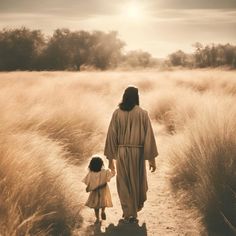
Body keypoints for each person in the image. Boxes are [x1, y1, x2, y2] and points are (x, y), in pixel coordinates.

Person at [104, 86, 158, 223]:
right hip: (138, 153)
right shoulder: (143, 113)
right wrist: (151, 159)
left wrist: (111, 160)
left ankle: (128, 211)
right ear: (136, 97)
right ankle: (132, 211)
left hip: (122, 153)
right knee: (137, 181)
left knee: (124, 182)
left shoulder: (117, 113)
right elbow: (148, 137)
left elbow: (111, 136)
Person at [82, 156, 115, 223]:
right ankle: (103, 211)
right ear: (101, 164)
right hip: (104, 190)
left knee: (96, 205)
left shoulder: (90, 173)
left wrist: (88, 187)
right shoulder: (105, 172)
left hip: (94, 191)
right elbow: (112, 175)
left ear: (91, 165)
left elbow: (88, 182)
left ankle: (97, 217)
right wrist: (112, 167)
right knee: (103, 201)